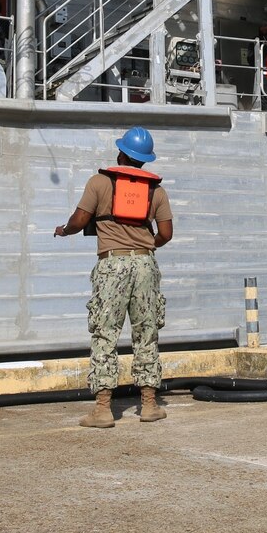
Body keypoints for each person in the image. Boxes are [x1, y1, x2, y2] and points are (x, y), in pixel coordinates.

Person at [55, 127, 173, 428]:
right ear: (144, 161)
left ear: (121, 153)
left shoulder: (99, 182)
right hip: (145, 266)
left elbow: (81, 219)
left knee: (105, 333)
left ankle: (103, 409)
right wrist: (146, 246)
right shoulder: (156, 190)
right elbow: (167, 234)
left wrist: (65, 230)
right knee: (146, 332)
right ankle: (148, 405)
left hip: (113, 265)